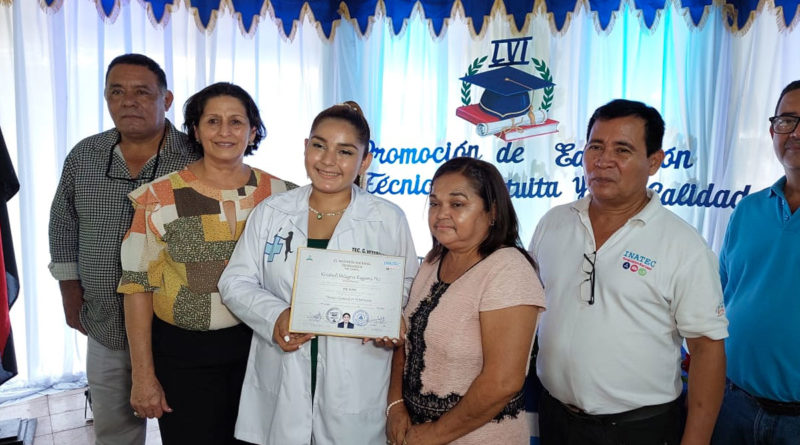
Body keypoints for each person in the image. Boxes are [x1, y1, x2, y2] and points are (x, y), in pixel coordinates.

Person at [529, 99, 729, 445]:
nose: (603, 161)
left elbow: (707, 351)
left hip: (640, 429)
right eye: (595, 146)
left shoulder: (683, 245)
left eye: (622, 150)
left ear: (654, 162)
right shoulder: (553, 223)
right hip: (554, 417)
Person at [218, 101, 419, 445]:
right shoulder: (273, 212)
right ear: (306, 147)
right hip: (284, 368)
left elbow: (407, 285)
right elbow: (235, 281)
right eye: (319, 145)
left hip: (356, 375)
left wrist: (388, 318)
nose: (328, 161)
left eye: (345, 151)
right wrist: (276, 315)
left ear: (365, 160)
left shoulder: (388, 219)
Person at [116, 82, 293, 444]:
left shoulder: (283, 195)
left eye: (236, 122)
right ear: (195, 129)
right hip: (184, 355)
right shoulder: (157, 197)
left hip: (262, 347)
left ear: (253, 129)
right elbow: (137, 287)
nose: (225, 132)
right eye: (213, 121)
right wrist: (143, 376)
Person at [48, 53, 198, 445]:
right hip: (105, 320)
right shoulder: (85, 156)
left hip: (179, 324)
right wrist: (70, 293)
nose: (128, 101)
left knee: (187, 425)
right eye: (117, 91)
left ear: (166, 100)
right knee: (114, 430)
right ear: (106, 98)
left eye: (142, 92)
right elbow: (63, 225)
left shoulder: (197, 158)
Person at [386, 157, 545, 445]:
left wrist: (433, 435)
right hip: (412, 433)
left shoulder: (508, 269)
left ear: (492, 211)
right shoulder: (433, 261)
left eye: (457, 204)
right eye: (435, 203)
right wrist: (395, 407)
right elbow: (407, 344)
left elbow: (503, 382)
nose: (441, 214)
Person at [711, 81, 800, 444]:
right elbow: (721, 297)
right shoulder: (748, 210)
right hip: (733, 403)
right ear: (772, 130)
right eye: (787, 120)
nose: (795, 133)